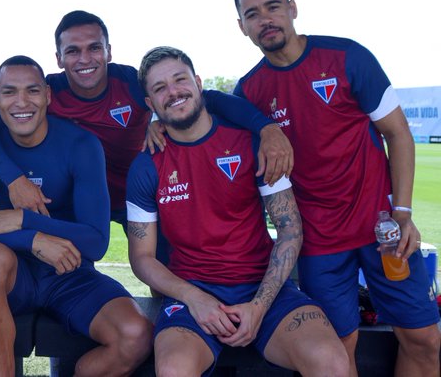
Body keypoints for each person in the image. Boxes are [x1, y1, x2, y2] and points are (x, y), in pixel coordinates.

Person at [233, 0, 440, 376]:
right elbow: (201, 109)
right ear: (241, 26)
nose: (265, 19)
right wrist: (155, 124)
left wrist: (403, 211)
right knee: (337, 351)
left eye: (273, 7)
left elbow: (398, 134)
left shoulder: (347, 57)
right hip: (319, 243)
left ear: (292, 8)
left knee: (424, 340)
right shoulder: (249, 92)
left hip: (383, 229)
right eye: (252, 14)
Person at [0, 11, 294, 252]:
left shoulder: (130, 84)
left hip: (136, 196)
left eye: (94, 47)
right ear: (59, 58)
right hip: (80, 202)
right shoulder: (44, 92)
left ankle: (169, 331)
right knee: (71, 267)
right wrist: (15, 179)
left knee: (165, 265)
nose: (84, 58)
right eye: (72, 51)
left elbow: (209, 99)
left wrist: (265, 128)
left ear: (109, 51)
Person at [126, 46, 348, 376]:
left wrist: (259, 306)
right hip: (193, 293)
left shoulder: (251, 144)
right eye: (160, 88)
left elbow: (289, 228)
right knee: (174, 369)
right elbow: (141, 258)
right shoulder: (146, 166)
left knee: (330, 361)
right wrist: (194, 298)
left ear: (199, 83)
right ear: (150, 104)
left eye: (180, 79)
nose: (173, 92)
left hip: (263, 288)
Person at [0, 56, 153, 376]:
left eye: (33, 91)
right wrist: (34, 238)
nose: (22, 102)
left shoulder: (81, 144)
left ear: (48, 96)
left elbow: (96, 243)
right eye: (9, 92)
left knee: (135, 335)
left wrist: (25, 220)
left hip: (69, 272)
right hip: (13, 275)